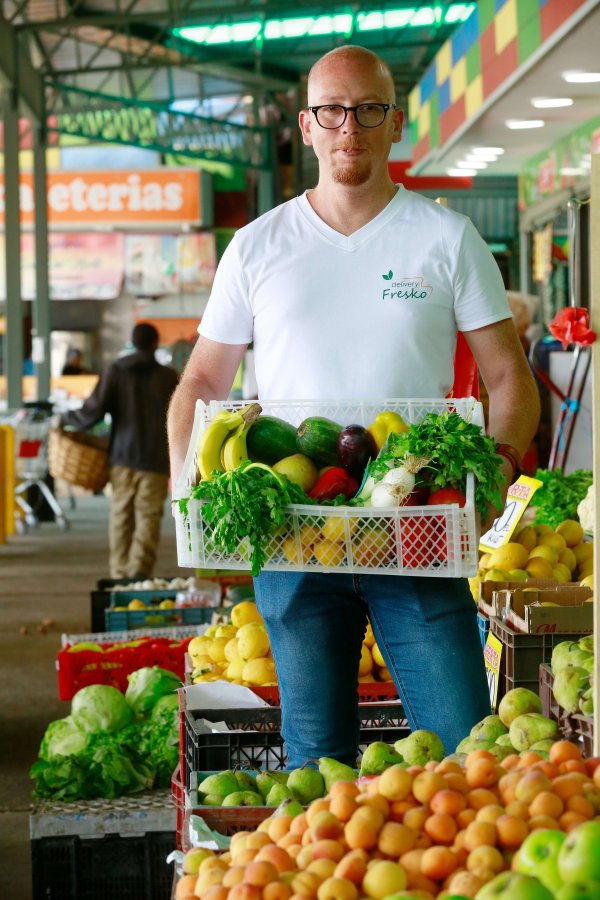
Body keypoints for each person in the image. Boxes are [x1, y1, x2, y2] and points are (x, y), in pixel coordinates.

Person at [167, 46, 541, 765]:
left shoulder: (446, 238)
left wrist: (496, 467)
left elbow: (510, 378)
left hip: (420, 532)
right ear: (307, 125)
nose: (351, 128)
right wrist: (188, 498)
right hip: (291, 532)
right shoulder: (256, 246)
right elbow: (203, 384)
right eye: (334, 111)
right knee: (315, 755)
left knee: (465, 746)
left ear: (395, 123)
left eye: (369, 110)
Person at [62, 322, 179, 579]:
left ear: (133, 343)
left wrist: (67, 419)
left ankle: (118, 572)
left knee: (120, 514)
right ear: (155, 344)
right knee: (148, 515)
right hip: (156, 459)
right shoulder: (168, 376)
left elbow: (93, 410)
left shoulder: (116, 371)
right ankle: (139, 569)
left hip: (122, 456)